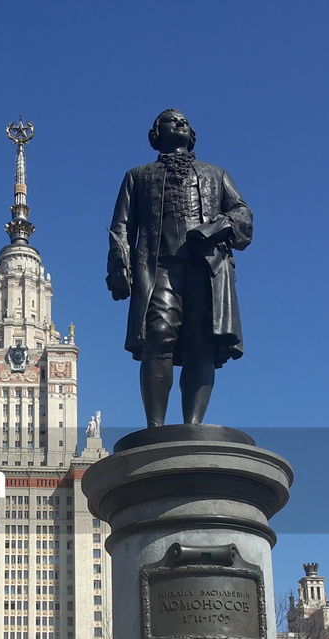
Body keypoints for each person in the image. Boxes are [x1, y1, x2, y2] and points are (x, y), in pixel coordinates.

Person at [107, 109, 253, 427]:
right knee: (158, 335)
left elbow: (243, 213)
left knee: (202, 341)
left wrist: (217, 227)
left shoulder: (216, 174)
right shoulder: (138, 175)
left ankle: (193, 426)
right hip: (157, 266)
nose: (181, 124)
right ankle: (155, 428)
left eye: (185, 121)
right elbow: (120, 225)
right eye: (172, 120)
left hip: (206, 267)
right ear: (156, 133)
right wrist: (120, 266)